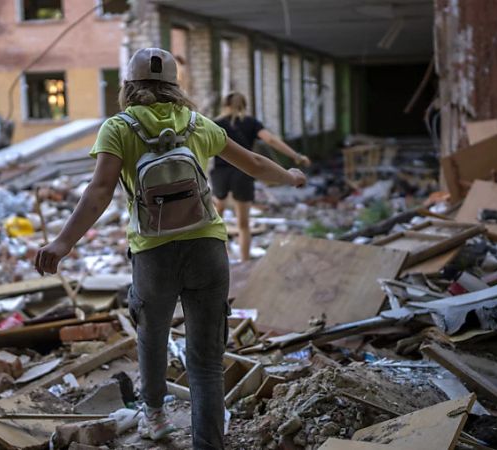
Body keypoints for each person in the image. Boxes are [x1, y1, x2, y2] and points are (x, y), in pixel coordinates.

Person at [34, 48, 306, 450]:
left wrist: (62, 242)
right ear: (175, 87)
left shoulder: (118, 128)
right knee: (207, 362)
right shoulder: (197, 124)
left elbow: (99, 192)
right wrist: (291, 176)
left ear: (128, 86)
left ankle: (156, 417)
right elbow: (253, 163)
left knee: (152, 335)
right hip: (207, 249)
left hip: (152, 253)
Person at [212, 92, 311, 262]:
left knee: (217, 219)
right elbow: (271, 140)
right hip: (244, 172)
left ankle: (222, 258)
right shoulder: (251, 122)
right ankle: (244, 262)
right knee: (243, 224)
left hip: (221, 174)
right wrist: (296, 156)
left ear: (224, 105)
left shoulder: (215, 124)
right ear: (244, 105)